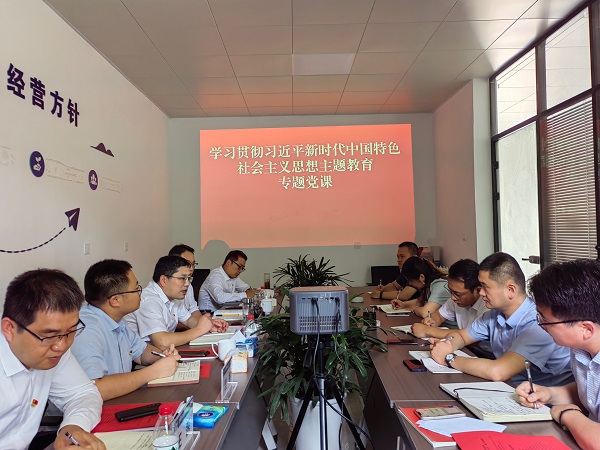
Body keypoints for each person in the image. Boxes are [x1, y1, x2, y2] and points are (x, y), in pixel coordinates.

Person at [430, 252, 573, 386]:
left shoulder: (538, 322)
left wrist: (448, 357)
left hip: (543, 398)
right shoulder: (494, 315)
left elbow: (498, 371)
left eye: (485, 287)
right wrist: (446, 345)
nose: (481, 293)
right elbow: (461, 336)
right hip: (512, 388)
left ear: (510, 290)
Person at [0, 269, 105, 450]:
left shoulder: (53, 350)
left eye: (71, 331)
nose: (61, 346)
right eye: (49, 335)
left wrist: (72, 427)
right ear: (10, 328)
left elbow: (82, 393)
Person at [515, 259, 600, 449]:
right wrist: (549, 394)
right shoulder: (580, 348)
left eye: (545, 320)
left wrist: (567, 414)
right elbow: (591, 395)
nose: (541, 325)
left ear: (586, 329)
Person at [71, 259, 180, 401]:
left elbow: (141, 353)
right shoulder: (87, 330)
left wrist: (163, 356)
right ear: (115, 300)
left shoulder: (117, 320)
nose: (140, 294)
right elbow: (96, 389)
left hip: (122, 399)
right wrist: (153, 372)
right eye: (136, 289)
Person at [126, 256, 228, 348]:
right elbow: (162, 342)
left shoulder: (173, 296)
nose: (187, 284)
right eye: (182, 278)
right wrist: (199, 330)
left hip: (163, 353)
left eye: (188, 278)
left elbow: (189, 320)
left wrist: (210, 325)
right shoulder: (149, 301)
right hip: (138, 359)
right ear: (163, 280)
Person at [411, 259, 488, 338]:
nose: (453, 297)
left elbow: (471, 335)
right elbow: (439, 315)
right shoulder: (456, 299)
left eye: (457, 294)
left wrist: (428, 331)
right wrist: (432, 320)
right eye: (450, 291)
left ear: (478, 290)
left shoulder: (487, 306)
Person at [168, 244, 201, 322]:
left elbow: (193, 310)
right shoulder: (169, 287)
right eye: (188, 264)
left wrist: (204, 323)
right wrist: (200, 326)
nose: (191, 269)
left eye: (193, 264)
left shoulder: (188, 284)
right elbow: (173, 322)